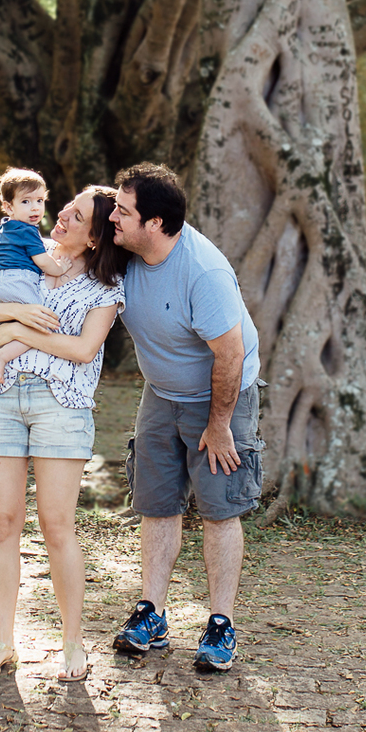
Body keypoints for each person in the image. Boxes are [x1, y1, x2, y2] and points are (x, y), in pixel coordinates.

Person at [0, 186, 127, 683]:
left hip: (62, 405)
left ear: (95, 237)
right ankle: (4, 642)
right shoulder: (20, 252)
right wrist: (18, 316)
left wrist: (16, 331)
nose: (60, 218)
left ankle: (72, 643)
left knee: (57, 526)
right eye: (65, 209)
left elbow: (81, 349)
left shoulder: (106, 287)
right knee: (3, 522)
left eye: (75, 217)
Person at [109, 162, 261, 674]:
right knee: (156, 502)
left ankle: (221, 625)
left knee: (219, 508)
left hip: (221, 394)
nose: (114, 217)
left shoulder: (204, 271)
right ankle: (151, 613)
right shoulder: (124, 253)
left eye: (123, 212)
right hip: (162, 392)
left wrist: (218, 427)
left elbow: (231, 356)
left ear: (155, 224)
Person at [0, 167, 71, 389]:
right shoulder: (28, 231)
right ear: (9, 206)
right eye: (26, 202)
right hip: (19, 283)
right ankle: (1, 357)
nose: (35, 208)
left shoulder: (3, 228)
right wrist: (59, 268)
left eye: (39, 200)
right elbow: (42, 261)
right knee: (40, 326)